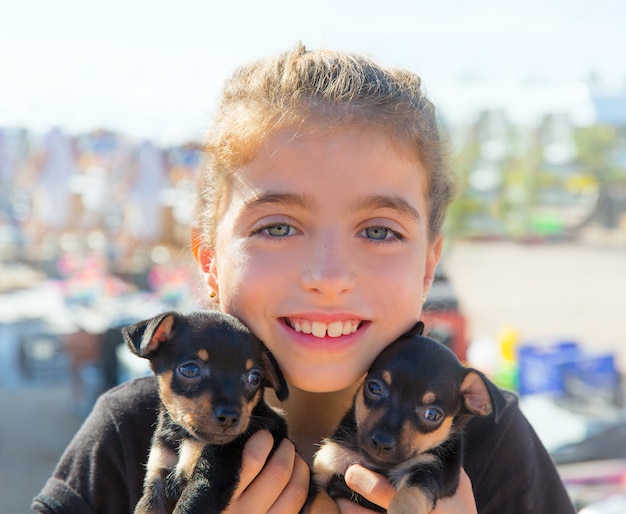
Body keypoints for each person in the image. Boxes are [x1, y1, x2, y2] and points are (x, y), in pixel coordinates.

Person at [32, 43, 575, 513]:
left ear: (429, 266)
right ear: (209, 262)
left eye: (380, 232)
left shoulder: (483, 437)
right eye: (277, 226)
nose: (329, 277)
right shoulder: (133, 432)